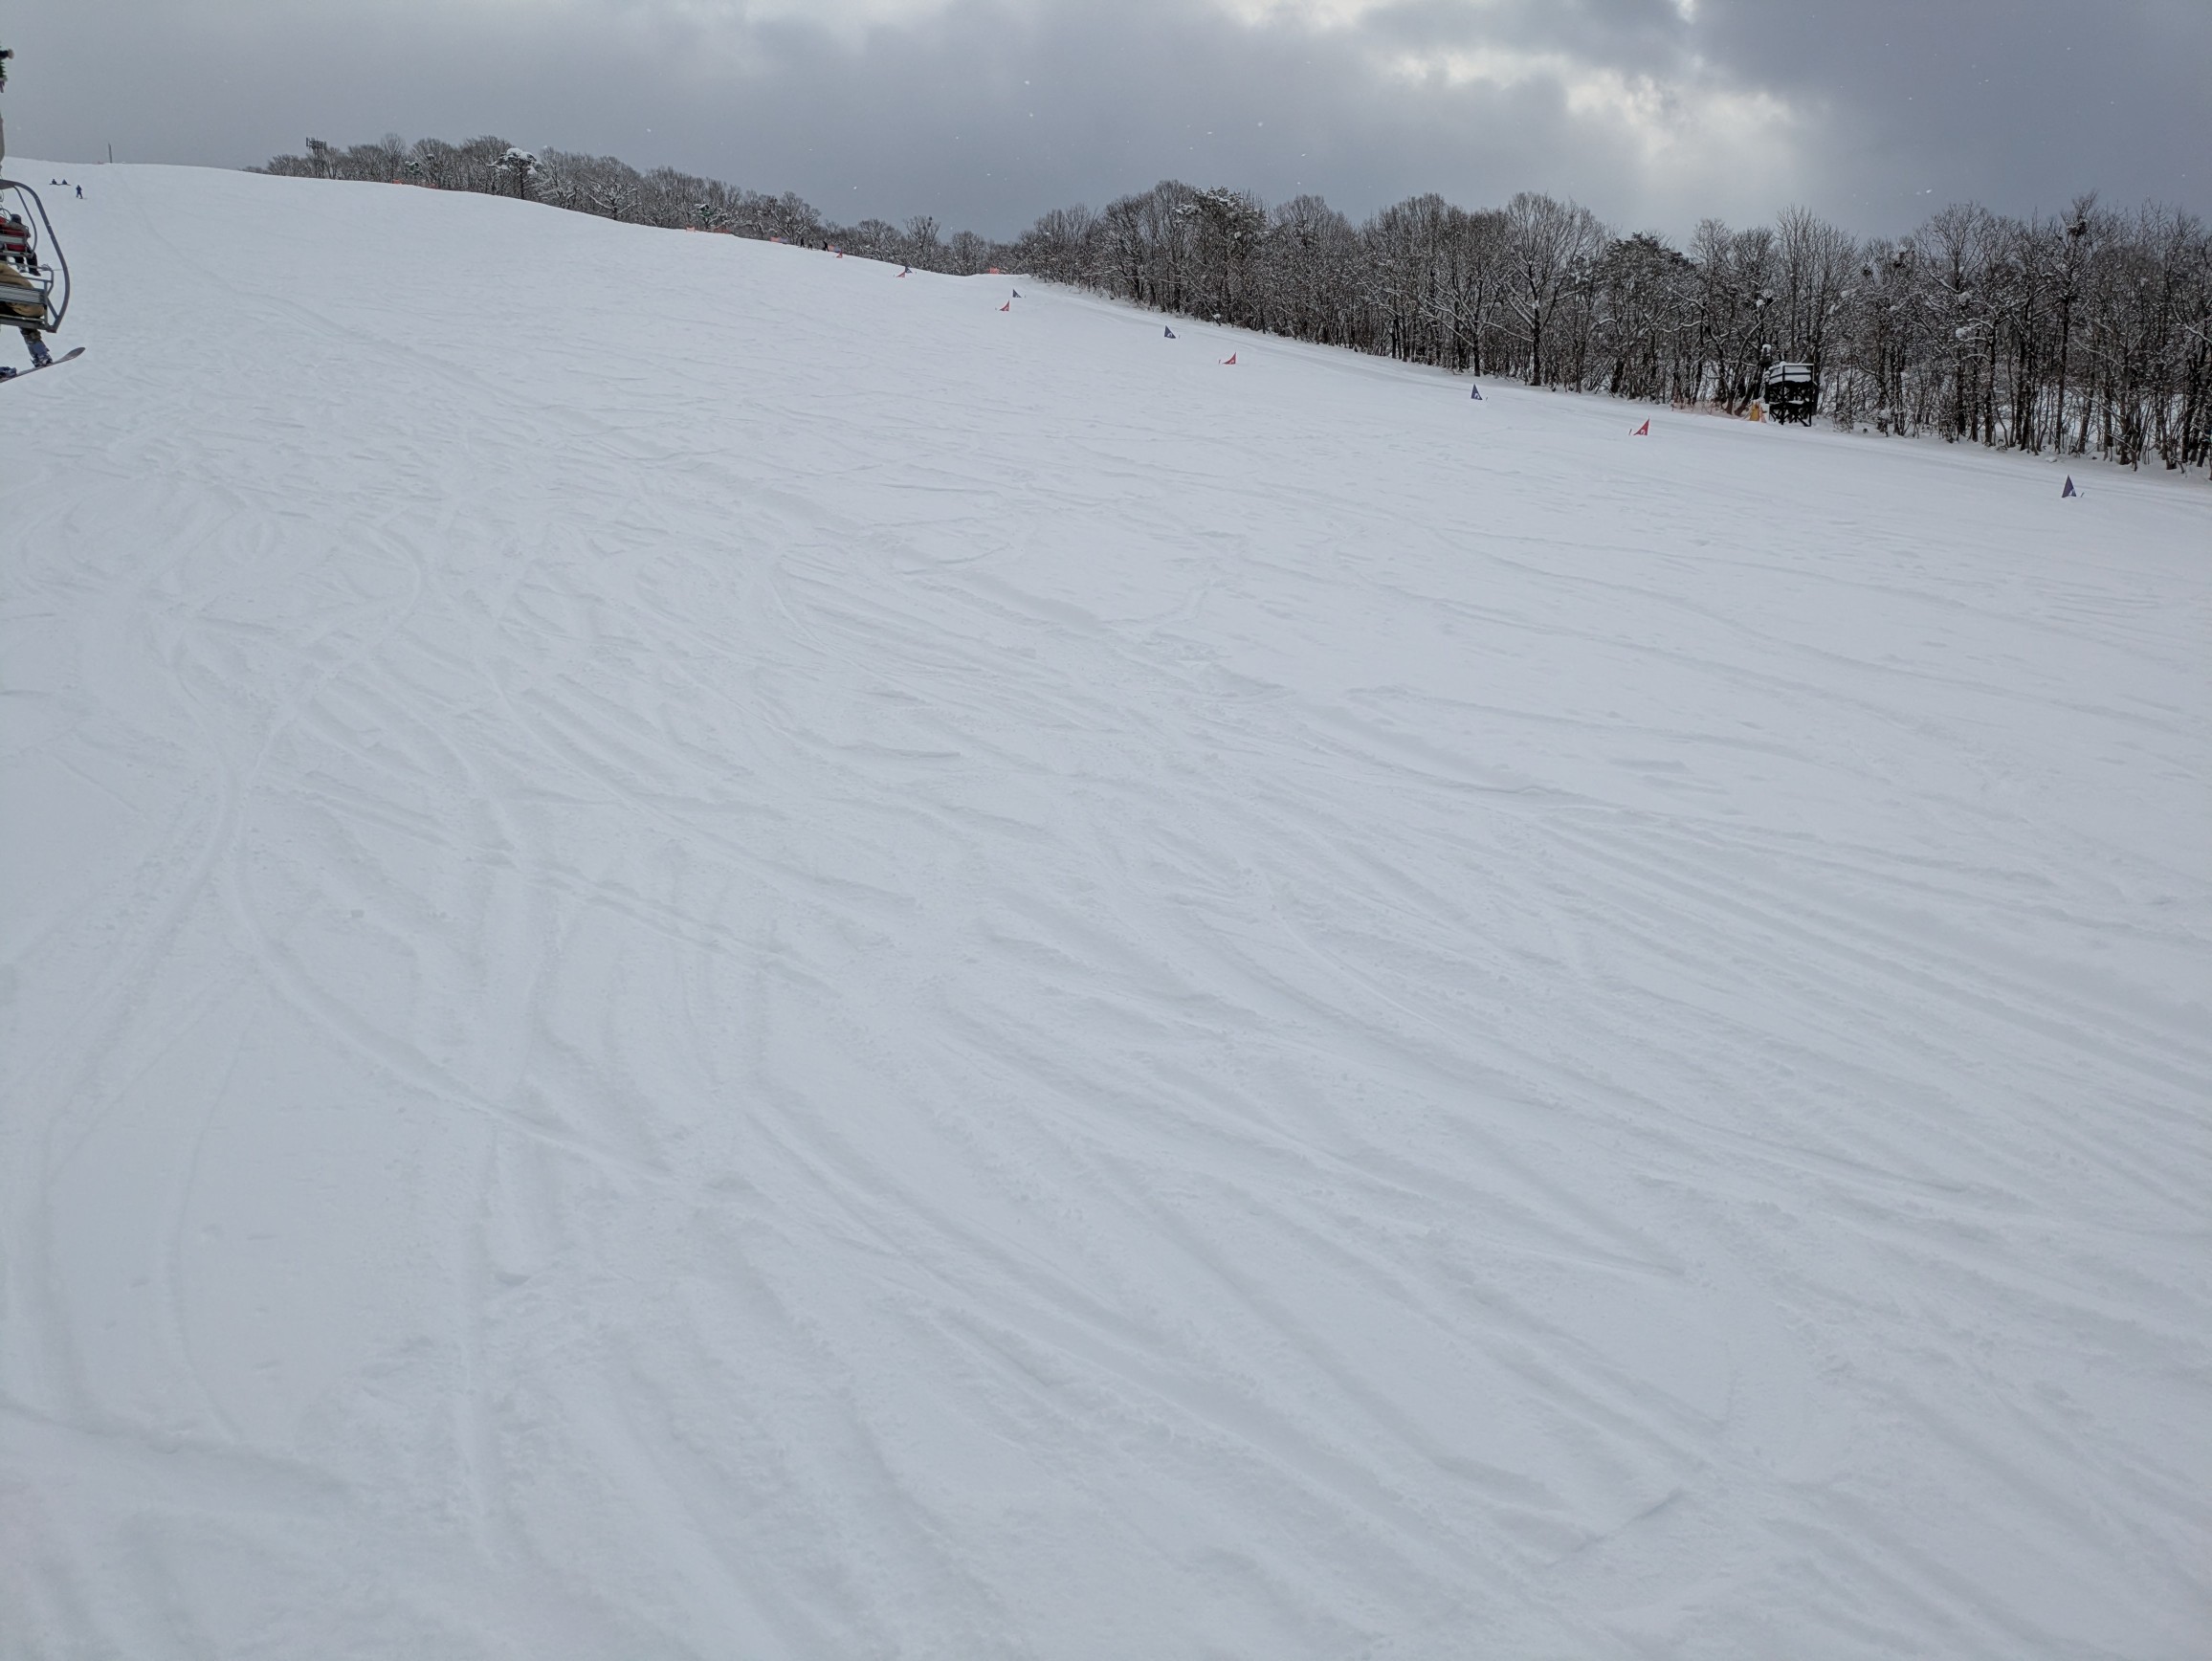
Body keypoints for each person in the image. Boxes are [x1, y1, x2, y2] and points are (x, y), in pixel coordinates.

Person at [0, 206, 53, 373]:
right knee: (21, 315)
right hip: (34, 307)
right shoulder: (4, 269)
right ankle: (41, 354)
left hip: (21, 303)